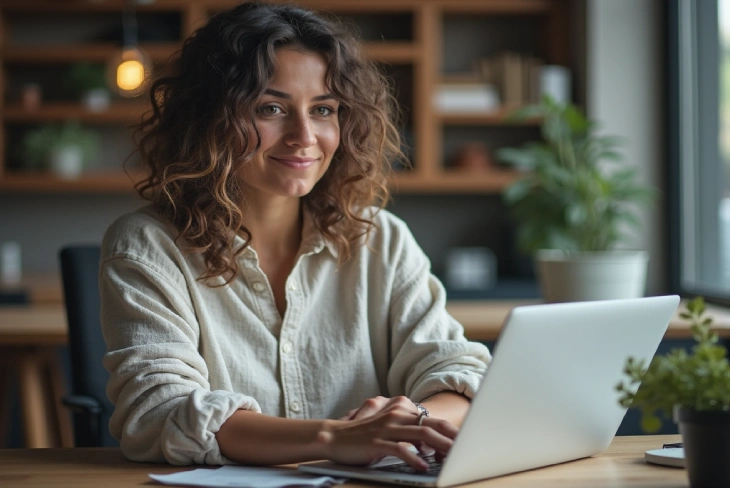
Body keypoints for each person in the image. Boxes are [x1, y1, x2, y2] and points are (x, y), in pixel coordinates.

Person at [100, 1, 492, 470]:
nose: (304, 135)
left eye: (323, 109)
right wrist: (336, 438)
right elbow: (160, 413)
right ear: (209, 120)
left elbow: (459, 373)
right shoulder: (147, 246)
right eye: (271, 108)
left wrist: (412, 423)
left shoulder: (381, 238)